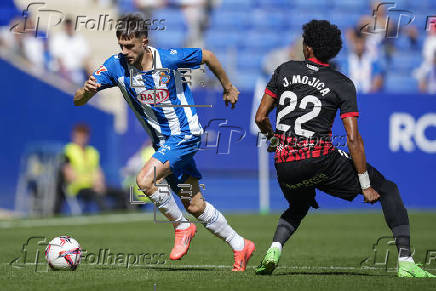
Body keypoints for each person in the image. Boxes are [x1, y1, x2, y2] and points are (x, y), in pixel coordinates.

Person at [73, 14, 255, 271]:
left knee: (144, 180)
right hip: (164, 144)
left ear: (144, 41)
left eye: (130, 46)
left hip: (186, 135)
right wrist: (86, 91)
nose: (125, 52)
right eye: (121, 46)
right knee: (194, 204)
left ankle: (181, 227)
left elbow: (208, 56)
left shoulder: (168, 59)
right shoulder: (115, 67)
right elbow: (78, 100)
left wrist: (228, 86)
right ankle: (240, 245)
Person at [254, 20, 435, 278]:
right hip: (319, 159)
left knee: (299, 206)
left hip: (284, 164)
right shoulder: (342, 83)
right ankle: (406, 262)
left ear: (308, 48)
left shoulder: (284, 70)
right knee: (388, 189)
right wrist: (365, 184)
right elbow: (353, 139)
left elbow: (261, 117)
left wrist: (274, 139)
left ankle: (274, 249)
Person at [62, 124, 128, 214]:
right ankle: (106, 214)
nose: (81, 139)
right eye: (79, 136)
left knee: (122, 193)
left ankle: (117, 213)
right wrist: (91, 182)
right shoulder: (69, 151)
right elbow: (69, 176)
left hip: (94, 186)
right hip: (78, 188)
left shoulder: (92, 152)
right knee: (97, 195)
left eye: (84, 136)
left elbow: (98, 171)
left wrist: (99, 183)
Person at [50, 17, 90, 84]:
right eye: (67, 26)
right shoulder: (58, 38)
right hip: (60, 71)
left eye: (70, 26)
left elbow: (86, 59)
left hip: (76, 71)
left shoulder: (80, 39)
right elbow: (58, 59)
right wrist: (66, 76)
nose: (68, 28)